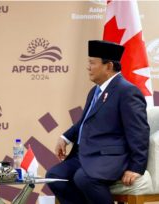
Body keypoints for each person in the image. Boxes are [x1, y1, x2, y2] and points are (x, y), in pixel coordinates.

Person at [46, 40, 149, 204]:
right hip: (85, 154)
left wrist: (136, 167)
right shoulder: (95, 91)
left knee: (83, 178)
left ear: (108, 66)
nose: (88, 67)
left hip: (109, 157)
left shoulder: (127, 91)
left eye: (92, 63)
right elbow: (85, 122)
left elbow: (139, 131)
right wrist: (65, 138)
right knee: (54, 177)